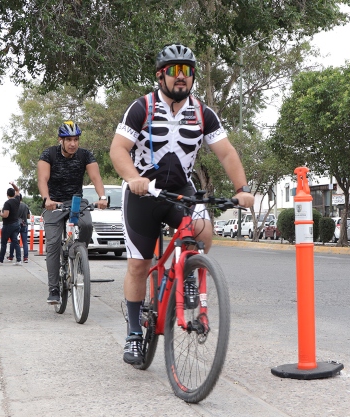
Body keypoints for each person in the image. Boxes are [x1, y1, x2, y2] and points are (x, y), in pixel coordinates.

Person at [109, 43, 254, 365]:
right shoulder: (142, 107)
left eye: (187, 72)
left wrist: (242, 188)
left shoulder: (202, 113)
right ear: (161, 76)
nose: (181, 78)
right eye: (174, 71)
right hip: (144, 193)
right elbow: (118, 149)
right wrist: (134, 178)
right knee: (138, 264)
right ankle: (134, 333)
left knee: (203, 232)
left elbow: (227, 153)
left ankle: (188, 271)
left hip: (182, 192)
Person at [37, 120, 108, 304]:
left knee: (87, 224)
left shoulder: (85, 155)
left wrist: (102, 197)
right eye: (68, 139)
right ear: (61, 140)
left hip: (76, 201)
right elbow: (43, 179)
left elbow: (95, 177)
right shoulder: (49, 154)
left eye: (76, 139)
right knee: (52, 244)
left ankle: (78, 256)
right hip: (54, 203)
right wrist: (46, 199)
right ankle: (53, 288)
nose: (73, 144)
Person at [0, 184, 22, 266]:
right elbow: (18, 190)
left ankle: (0, 260)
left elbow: (5, 215)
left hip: (8, 225)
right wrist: (13, 184)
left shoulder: (7, 203)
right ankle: (19, 260)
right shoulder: (17, 201)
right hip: (16, 224)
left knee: (4, 243)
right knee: (15, 242)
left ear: (7, 194)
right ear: (14, 194)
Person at [6, 184, 30, 263]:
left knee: (14, 240)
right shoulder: (26, 206)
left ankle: (11, 256)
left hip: (16, 224)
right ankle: (25, 257)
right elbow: (28, 216)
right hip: (24, 224)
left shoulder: (14, 205)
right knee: (25, 242)